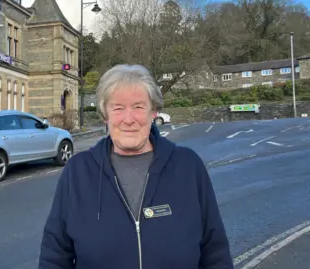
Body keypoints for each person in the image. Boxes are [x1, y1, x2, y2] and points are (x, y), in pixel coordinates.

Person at [38, 64, 234, 269]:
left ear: (154, 112)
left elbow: (215, 251)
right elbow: (55, 255)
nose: (128, 119)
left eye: (139, 107)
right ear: (105, 115)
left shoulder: (188, 166)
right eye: (118, 108)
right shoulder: (78, 171)